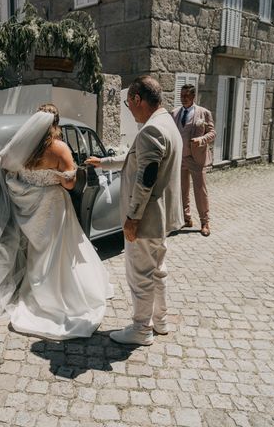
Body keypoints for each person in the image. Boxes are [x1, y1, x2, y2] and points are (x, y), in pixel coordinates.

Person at [0, 104, 113, 340]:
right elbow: (68, 183)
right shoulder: (59, 148)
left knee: (39, 251)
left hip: (28, 206)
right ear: (55, 124)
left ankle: (37, 292)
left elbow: (3, 163)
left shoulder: (22, 146)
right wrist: (58, 175)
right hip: (53, 206)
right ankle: (62, 296)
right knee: (59, 252)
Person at [88, 75, 182, 345]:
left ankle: (141, 329)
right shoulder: (167, 124)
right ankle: (160, 321)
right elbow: (135, 158)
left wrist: (132, 218)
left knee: (140, 276)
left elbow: (146, 176)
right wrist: (103, 162)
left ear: (138, 99)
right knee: (157, 270)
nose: (129, 110)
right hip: (161, 219)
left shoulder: (152, 129)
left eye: (129, 105)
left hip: (146, 220)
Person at [171, 84, 216, 236]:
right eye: (181, 95)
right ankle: (186, 218)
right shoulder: (174, 113)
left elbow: (212, 133)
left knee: (200, 191)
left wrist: (201, 139)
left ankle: (205, 222)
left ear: (193, 96)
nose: (183, 98)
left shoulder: (204, 113)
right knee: (182, 190)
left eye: (186, 96)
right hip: (180, 158)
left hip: (197, 159)